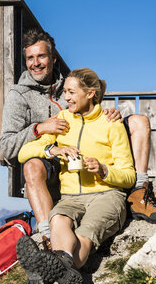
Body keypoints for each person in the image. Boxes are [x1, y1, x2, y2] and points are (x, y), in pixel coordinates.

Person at [0, 29, 156, 245]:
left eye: (41, 56)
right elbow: (7, 147)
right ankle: (46, 235)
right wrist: (39, 128)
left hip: (87, 159)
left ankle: (139, 193)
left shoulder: (70, 83)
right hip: (52, 162)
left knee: (139, 121)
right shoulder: (19, 96)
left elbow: (90, 113)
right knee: (32, 166)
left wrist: (109, 112)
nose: (36, 63)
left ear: (53, 58)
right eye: (30, 58)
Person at [16, 68, 136, 284]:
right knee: (58, 219)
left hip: (107, 195)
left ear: (90, 93)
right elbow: (23, 154)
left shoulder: (111, 124)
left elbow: (128, 176)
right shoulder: (62, 120)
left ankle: (46, 273)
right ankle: (63, 272)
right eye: (65, 92)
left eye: (71, 92)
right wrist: (52, 150)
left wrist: (103, 170)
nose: (66, 97)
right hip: (70, 197)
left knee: (86, 232)